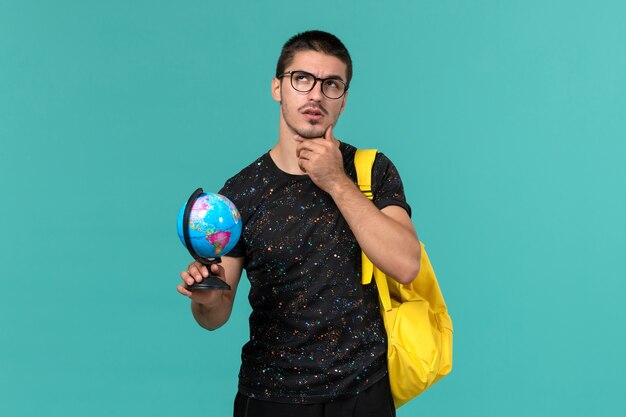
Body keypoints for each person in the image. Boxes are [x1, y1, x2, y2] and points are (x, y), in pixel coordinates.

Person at [177, 30, 421, 417]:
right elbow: (215, 316)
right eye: (302, 79)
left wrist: (336, 180)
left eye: (332, 85)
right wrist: (206, 298)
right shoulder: (240, 193)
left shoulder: (372, 171)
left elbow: (406, 264)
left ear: (343, 101)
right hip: (271, 398)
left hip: (363, 393)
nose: (316, 94)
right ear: (278, 88)